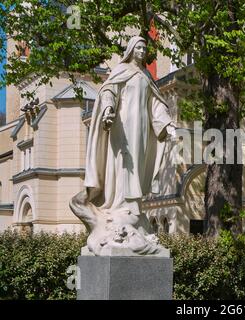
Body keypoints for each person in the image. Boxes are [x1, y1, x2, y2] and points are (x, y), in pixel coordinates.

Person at [70, 36, 176, 255]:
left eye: (144, 48)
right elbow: (108, 91)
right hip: (123, 126)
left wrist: (166, 123)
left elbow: (155, 103)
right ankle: (118, 204)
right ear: (130, 50)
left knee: (136, 163)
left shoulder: (146, 76)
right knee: (121, 163)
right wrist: (108, 109)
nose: (141, 51)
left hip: (142, 128)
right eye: (138, 47)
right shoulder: (121, 70)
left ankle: (133, 205)